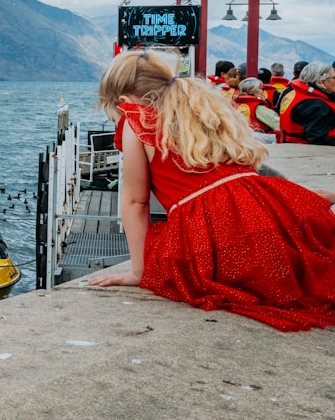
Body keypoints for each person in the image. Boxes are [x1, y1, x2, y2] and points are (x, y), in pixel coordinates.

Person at [89, 48, 335, 332]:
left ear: (123, 101)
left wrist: (138, 271)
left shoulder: (137, 120)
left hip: (216, 228)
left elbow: (135, 202)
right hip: (261, 204)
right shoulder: (197, 109)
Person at [278, 61, 335, 145]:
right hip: (306, 151)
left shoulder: (293, 93)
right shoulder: (316, 106)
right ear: (321, 82)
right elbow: (318, 139)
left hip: (288, 144)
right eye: (334, 78)